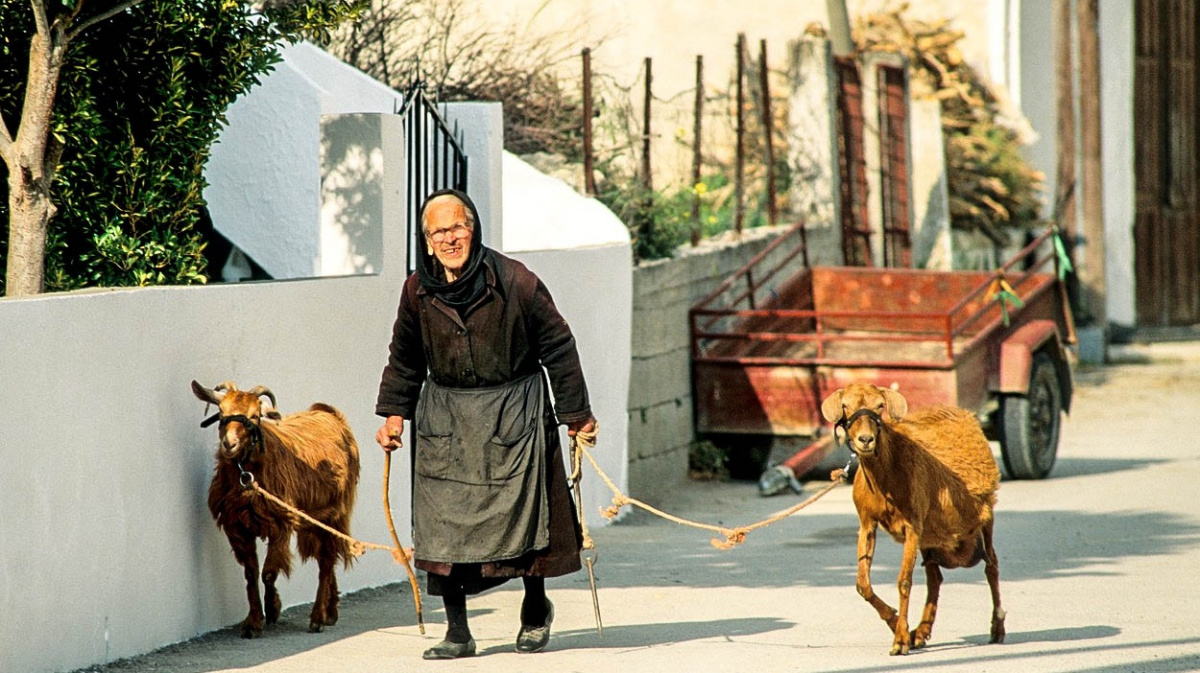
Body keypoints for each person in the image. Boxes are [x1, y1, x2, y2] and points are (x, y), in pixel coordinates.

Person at [374, 189, 597, 660]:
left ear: (473, 229)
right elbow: (405, 358)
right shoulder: (416, 290)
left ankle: (535, 612)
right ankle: (458, 632)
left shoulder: (517, 281)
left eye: (457, 227)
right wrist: (394, 415)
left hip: (516, 411)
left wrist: (577, 416)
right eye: (439, 231)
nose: (450, 238)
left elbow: (559, 346)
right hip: (447, 421)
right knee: (442, 528)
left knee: (529, 517)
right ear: (427, 241)